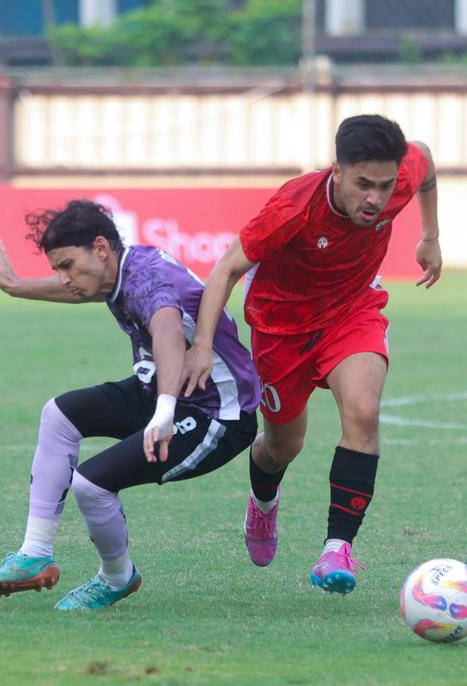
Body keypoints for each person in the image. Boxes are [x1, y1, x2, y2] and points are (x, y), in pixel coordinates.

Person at [182, 114, 442, 595]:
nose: (376, 199)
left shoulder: (401, 175)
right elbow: (225, 270)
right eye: (364, 184)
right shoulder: (292, 208)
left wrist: (430, 236)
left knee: (363, 414)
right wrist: (201, 347)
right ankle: (263, 502)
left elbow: (424, 161)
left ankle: (336, 549)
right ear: (337, 171)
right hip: (281, 329)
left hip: (352, 310)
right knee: (283, 446)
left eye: (384, 187)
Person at [0, 200, 261, 610]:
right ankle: (34, 552)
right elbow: (80, 292)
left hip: (215, 414)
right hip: (160, 391)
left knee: (92, 485)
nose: (64, 278)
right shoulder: (121, 272)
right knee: (59, 415)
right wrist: (17, 287)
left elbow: (168, 331)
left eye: (68, 265)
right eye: (58, 268)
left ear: (101, 248)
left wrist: (164, 413)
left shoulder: (146, 280)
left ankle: (117, 577)